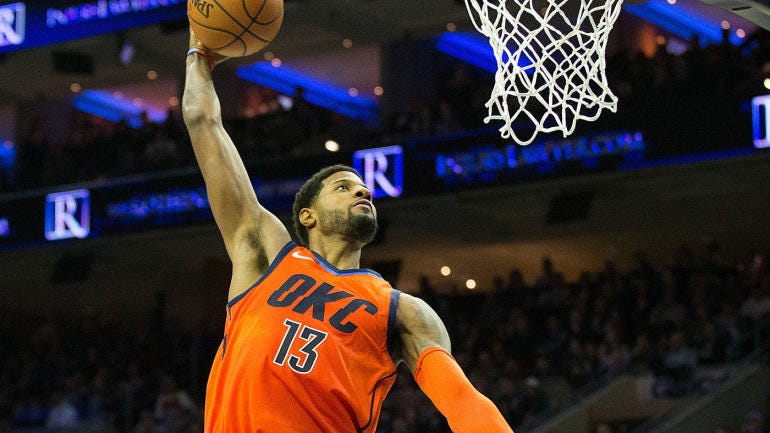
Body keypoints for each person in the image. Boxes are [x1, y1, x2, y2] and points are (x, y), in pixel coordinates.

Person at [182, 29, 514, 433]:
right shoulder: (267, 255)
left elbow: (463, 402)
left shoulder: (401, 311)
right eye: (343, 187)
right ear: (308, 216)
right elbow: (202, 121)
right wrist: (199, 53)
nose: (362, 190)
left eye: (364, 188)